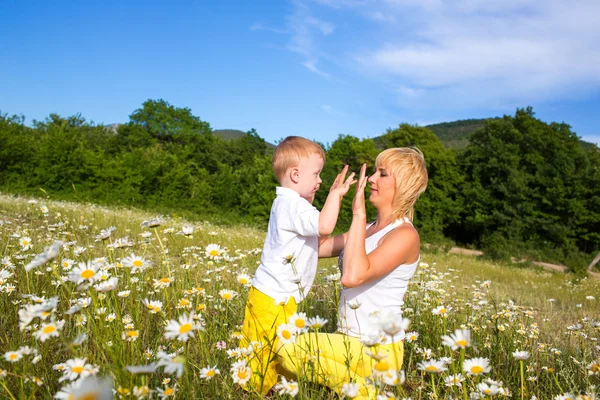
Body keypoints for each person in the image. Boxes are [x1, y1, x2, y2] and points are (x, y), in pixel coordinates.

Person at [278, 147, 429, 399]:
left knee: (287, 351)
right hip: (349, 342)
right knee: (282, 357)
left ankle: (366, 393)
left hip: (380, 350)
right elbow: (317, 247)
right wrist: (326, 200)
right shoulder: (369, 228)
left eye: (382, 174)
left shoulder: (405, 235)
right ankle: (355, 387)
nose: (370, 179)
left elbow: (353, 277)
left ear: (401, 185)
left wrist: (358, 214)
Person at [240, 136, 356, 395]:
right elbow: (325, 227)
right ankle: (253, 391)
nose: (320, 181)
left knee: (280, 347)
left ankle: (273, 385)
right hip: (271, 296)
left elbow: (321, 245)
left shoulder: (294, 206)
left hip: (282, 296)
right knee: (261, 349)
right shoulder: (291, 205)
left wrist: (357, 237)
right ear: (295, 175)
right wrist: (335, 195)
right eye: (316, 174)